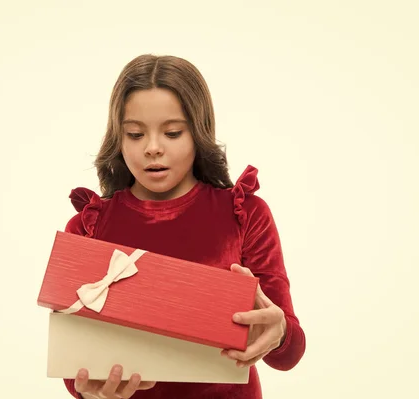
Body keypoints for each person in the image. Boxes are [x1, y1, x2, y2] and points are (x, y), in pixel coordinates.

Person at [60, 54, 306, 399]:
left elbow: (289, 354)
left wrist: (279, 330)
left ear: (198, 133)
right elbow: (72, 368)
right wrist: (90, 391)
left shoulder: (245, 214)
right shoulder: (88, 226)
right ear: (118, 137)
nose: (153, 148)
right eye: (135, 134)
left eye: (173, 132)